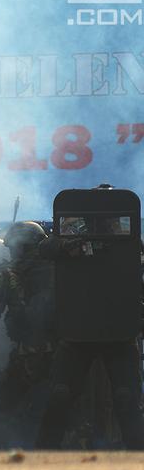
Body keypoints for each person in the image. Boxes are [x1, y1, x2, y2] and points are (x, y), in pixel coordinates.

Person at [35, 186, 144, 449]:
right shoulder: (73, 238)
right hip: (78, 330)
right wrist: (67, 245)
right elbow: (45, 247)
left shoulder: (131, 245)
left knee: (126, 398)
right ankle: (41, 456)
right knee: (60, 396)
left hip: (118, 331)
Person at [0, 221, 56, 447]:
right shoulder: (61, 269)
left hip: (28, 355)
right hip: (67, 355)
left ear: (20, 247)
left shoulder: (9, 273)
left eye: (13, 248)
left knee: (2, 406)